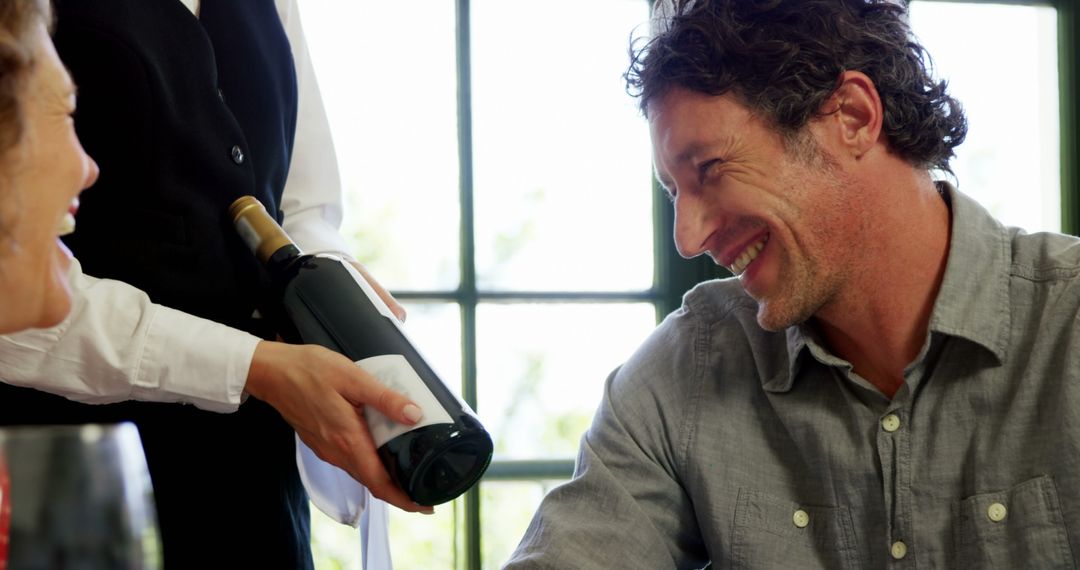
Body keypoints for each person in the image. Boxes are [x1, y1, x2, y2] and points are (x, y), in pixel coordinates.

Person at [507, 0, 1080, 567]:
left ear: (852, 117)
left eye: (709, 169)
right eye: (675, 191)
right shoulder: (683, 376)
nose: (688, 237)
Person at [0, 1, 415, 568]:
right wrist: (254, 367)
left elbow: (300, 207)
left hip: (253, 463)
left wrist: (339, 303)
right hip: (68, 458)